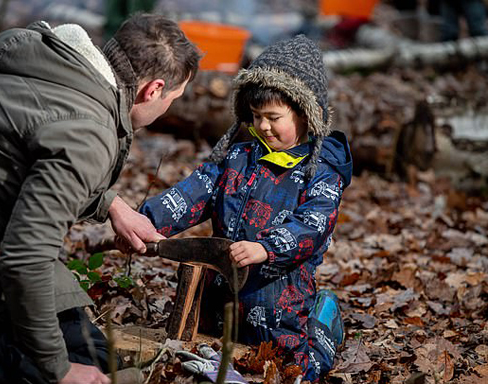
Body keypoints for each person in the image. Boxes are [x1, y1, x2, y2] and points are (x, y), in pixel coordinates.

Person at [0, 13, 199, 384]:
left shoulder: (55, 65)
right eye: (175, 97)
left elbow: (29, 158)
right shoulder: (89, 130)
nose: (168, 107)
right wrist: (58, 370)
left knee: (94, 354)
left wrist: (111, 204)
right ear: (153, 89)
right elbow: (25, 258)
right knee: (41, 369)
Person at [138, 35, 352, 381]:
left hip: (279, 292)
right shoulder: (238, 156)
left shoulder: (320, 171)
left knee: (291, 365)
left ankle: (323, 325)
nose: (263, 126)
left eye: (273, 117)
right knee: (211, 341)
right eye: (255, 116)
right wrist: (146, 221)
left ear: (305, 115)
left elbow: (313, 224)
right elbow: (196, 191)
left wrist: (267, 248)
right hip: (221, 286)